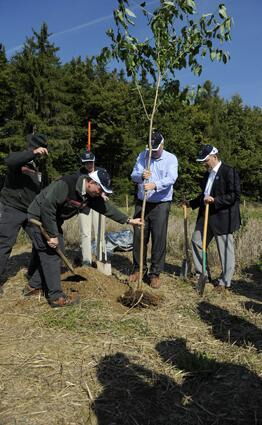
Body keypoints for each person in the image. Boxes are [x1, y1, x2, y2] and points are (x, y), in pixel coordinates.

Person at [26, 168, 142, 307]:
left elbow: (107, 209)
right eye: (100, 189)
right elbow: (47, 207)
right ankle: (56, 297)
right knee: (52, 255)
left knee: (55, 252)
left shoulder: (90, 195)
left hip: (51, 220)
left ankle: (33, 286)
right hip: (39, 219)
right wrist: (52, 235)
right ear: (91, 182)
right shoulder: (66, 185)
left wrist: (129, 220)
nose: (100, 193)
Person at [186, 144, 241, 290]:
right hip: (205, 216)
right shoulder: (207, 174)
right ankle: (202, 274)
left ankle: (224, 281)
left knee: (224, 250)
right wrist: (191, 203)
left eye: (205, 160)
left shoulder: (229, 171)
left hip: (223, 217)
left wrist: (215, 200)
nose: (203, 164)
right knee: (197, 241)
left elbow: (234, 195)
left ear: (214, 157)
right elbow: (204, 195)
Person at [0, 133, 49, 294]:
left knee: (41, 242)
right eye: (39, 148)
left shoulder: (39, 166)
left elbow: (43, 188)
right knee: (5, 245)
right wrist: (32, 153)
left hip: (30, 212)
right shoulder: (19, 159)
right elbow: (9, 160)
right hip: (11, 208)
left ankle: (33, 279)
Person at [129, 131, 178, 289]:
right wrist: (141, 176)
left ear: (162, 145)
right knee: (139, 236)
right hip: (142, 201)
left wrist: (155, 184)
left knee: (158, 237)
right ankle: (139, 269)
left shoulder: (171, 159)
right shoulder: (142, 155)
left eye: (156, 149)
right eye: (151, 149)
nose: (153, 152)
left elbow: (171, 178)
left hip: (161, 203)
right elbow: (133, 175)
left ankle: (155, 273)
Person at [78, 151, 99, 267]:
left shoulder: (101, 172)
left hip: (99, 206)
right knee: (85, 233)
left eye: (90, 162)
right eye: (86, 163)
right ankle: (87, 261)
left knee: (99, 233)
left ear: (94, 161)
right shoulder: (80, 174)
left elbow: (106, 187)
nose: (89, 165)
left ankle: (101, 258)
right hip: (84, 206)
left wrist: (104, 194)